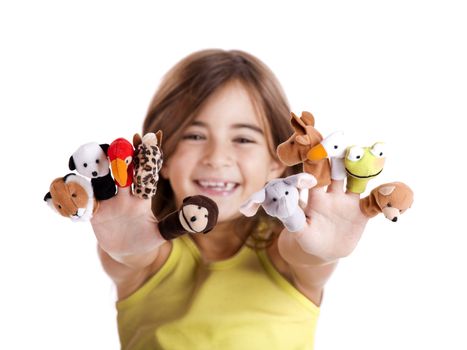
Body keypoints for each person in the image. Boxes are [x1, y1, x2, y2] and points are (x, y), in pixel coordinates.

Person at [90, 49, 369, 350]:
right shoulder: (146, 254)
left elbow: (307, 254)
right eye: (195, 136)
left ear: (277, 161)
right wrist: (120, 248)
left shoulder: (283, 252)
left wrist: (323, 251)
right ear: (161, 158)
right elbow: (128, 254)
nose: (217, 158)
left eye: (243, 139)